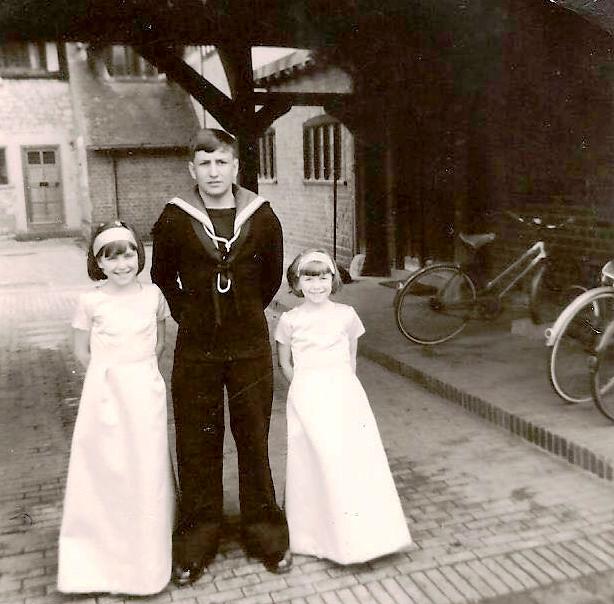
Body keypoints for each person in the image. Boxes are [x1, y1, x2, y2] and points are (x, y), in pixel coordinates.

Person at [151, 128, 290, 585]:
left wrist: (244, 310)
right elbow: (162, 274)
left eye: (221, 162)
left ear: (235, 167)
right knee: (196, 441)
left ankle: (264, 533)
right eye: (204, 163)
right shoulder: (174, 218)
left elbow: (271, 275)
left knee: (253, 437)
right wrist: (190, 313)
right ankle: (198, 538)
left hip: (248, 344)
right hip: (197, 347)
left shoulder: (262, 216)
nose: (214, 171)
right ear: (193, 170)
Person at [57, 221, 174, 595]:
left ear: (139, 256)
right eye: (111, 257)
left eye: (128, 254)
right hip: (105, 391)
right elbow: (80, 349)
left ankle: (145, 557)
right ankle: (99, 557)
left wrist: (142, 371)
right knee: (106, 465)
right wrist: (105, 377)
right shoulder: (91, 301)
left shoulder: (153, 294)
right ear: (98, 263)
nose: (122, 264)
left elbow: (159, 340)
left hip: (143, 387)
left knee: (145, 464)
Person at [275, 248, 412, 564]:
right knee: (316, 457)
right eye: (308, 278)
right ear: (297, 283)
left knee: (351, 458)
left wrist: (343, 388)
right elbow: (285, 363)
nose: (317, 285)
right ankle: (315, 536)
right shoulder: (290, 321)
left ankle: (364, 535)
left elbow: (350, 356)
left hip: (344, 393)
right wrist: (304, 389)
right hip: (308, 394)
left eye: (323, 277)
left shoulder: (347, 315)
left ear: (333, 279)